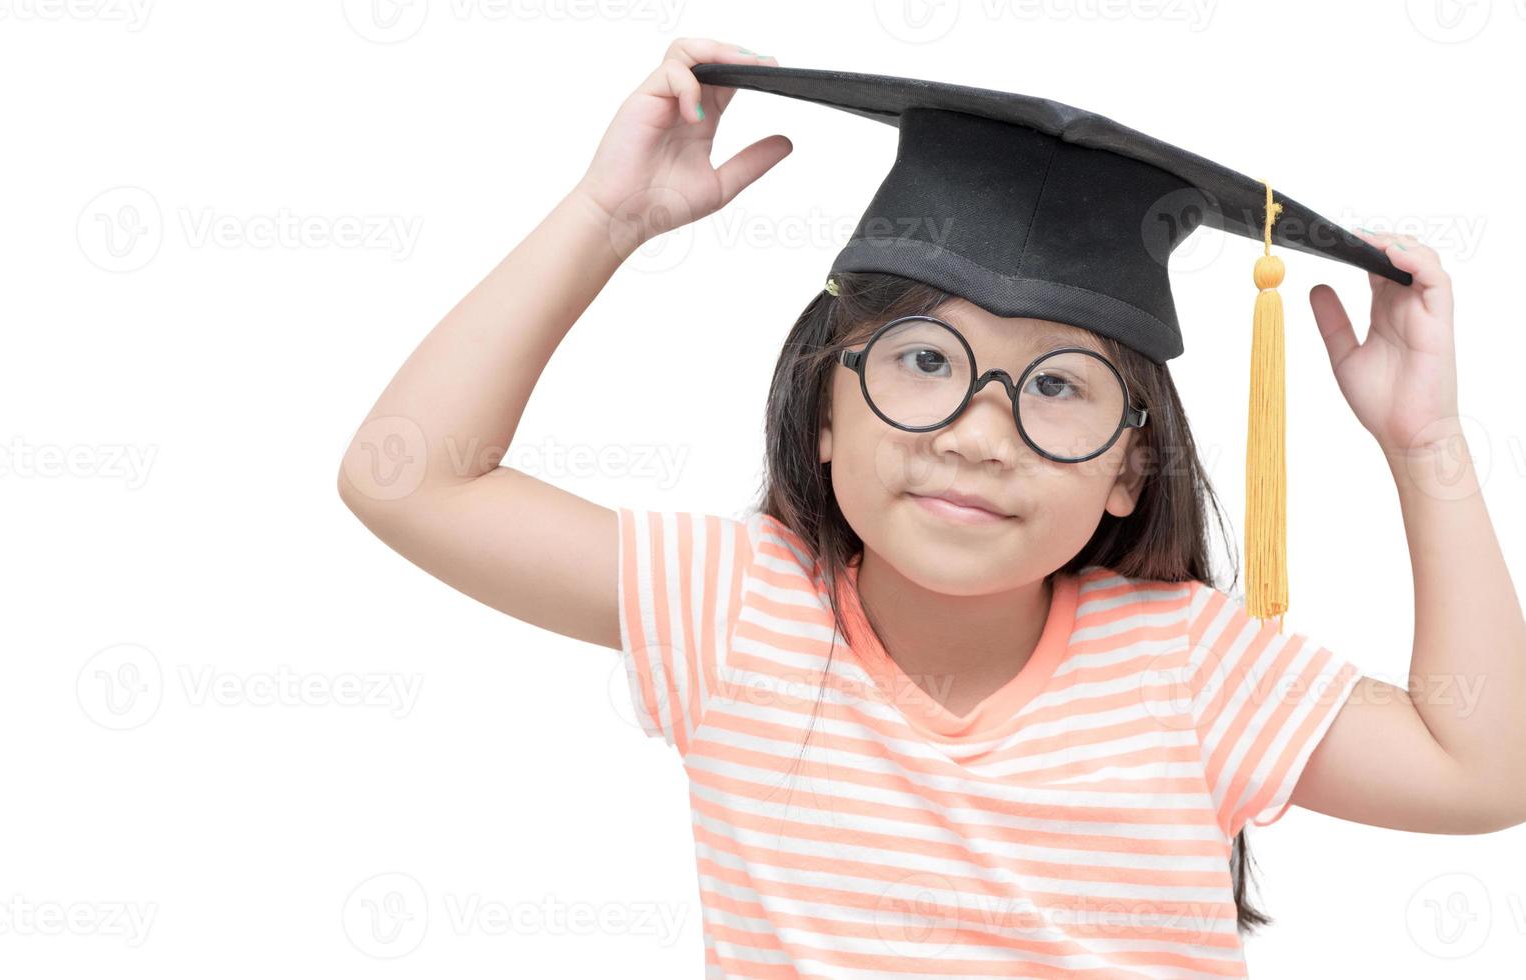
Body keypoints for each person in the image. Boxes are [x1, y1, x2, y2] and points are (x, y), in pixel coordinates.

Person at [336, 36, 1526, 977]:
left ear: (1127, 466)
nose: (975, 431)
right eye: (921, 360)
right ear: (821, 406)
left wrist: (1424, 444)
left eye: (1057, 388)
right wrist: (606, 220)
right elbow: (407, 478)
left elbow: (1482, 770)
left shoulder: (1182, 665)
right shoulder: (739, 607)